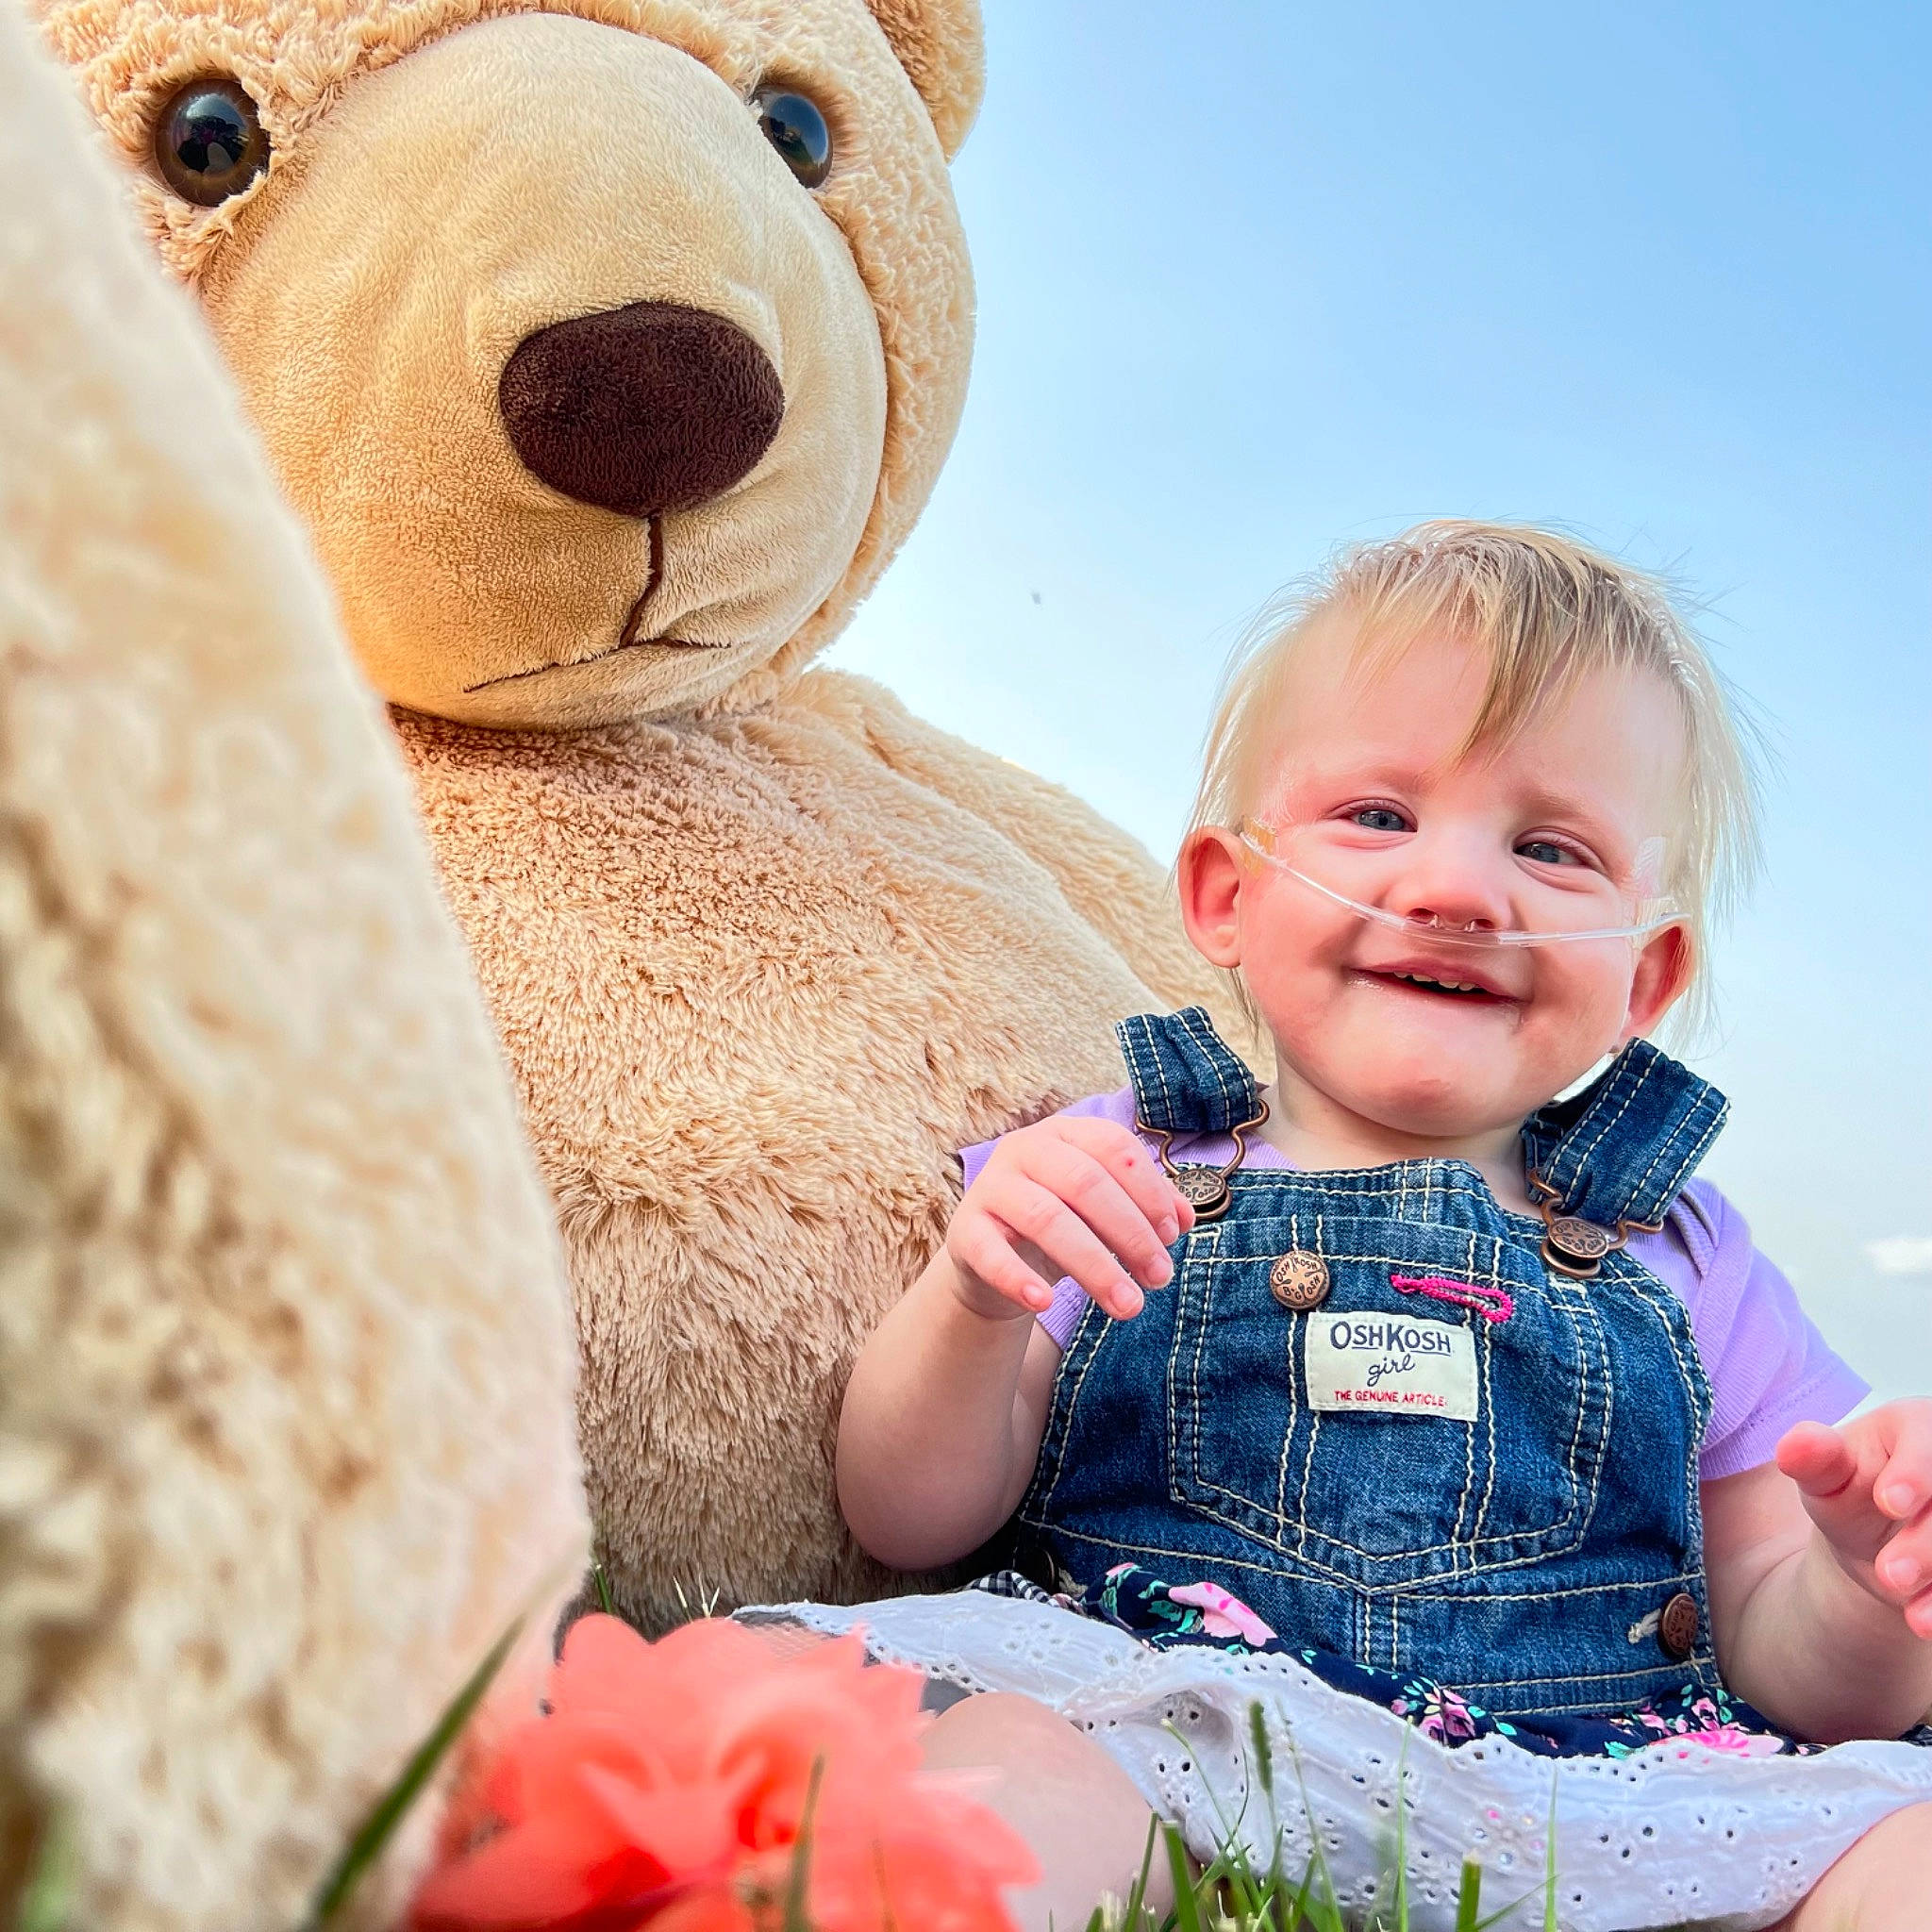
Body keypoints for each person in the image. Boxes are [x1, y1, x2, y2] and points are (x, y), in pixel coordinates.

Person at [827, 524, 1932, 1931]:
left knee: (1900, 1857)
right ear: (1230, 894)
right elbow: (907, 1515)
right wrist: (975, 1305)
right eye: (1378, 817)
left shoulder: (1690, 1255)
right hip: (1166, 1731)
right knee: (997, 1793)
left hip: (1596, 1799)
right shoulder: (1109, 1163)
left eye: (1551, 847)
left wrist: (1862, 1577)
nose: (1459, 891)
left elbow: (1803, 1682)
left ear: (1645, 975)